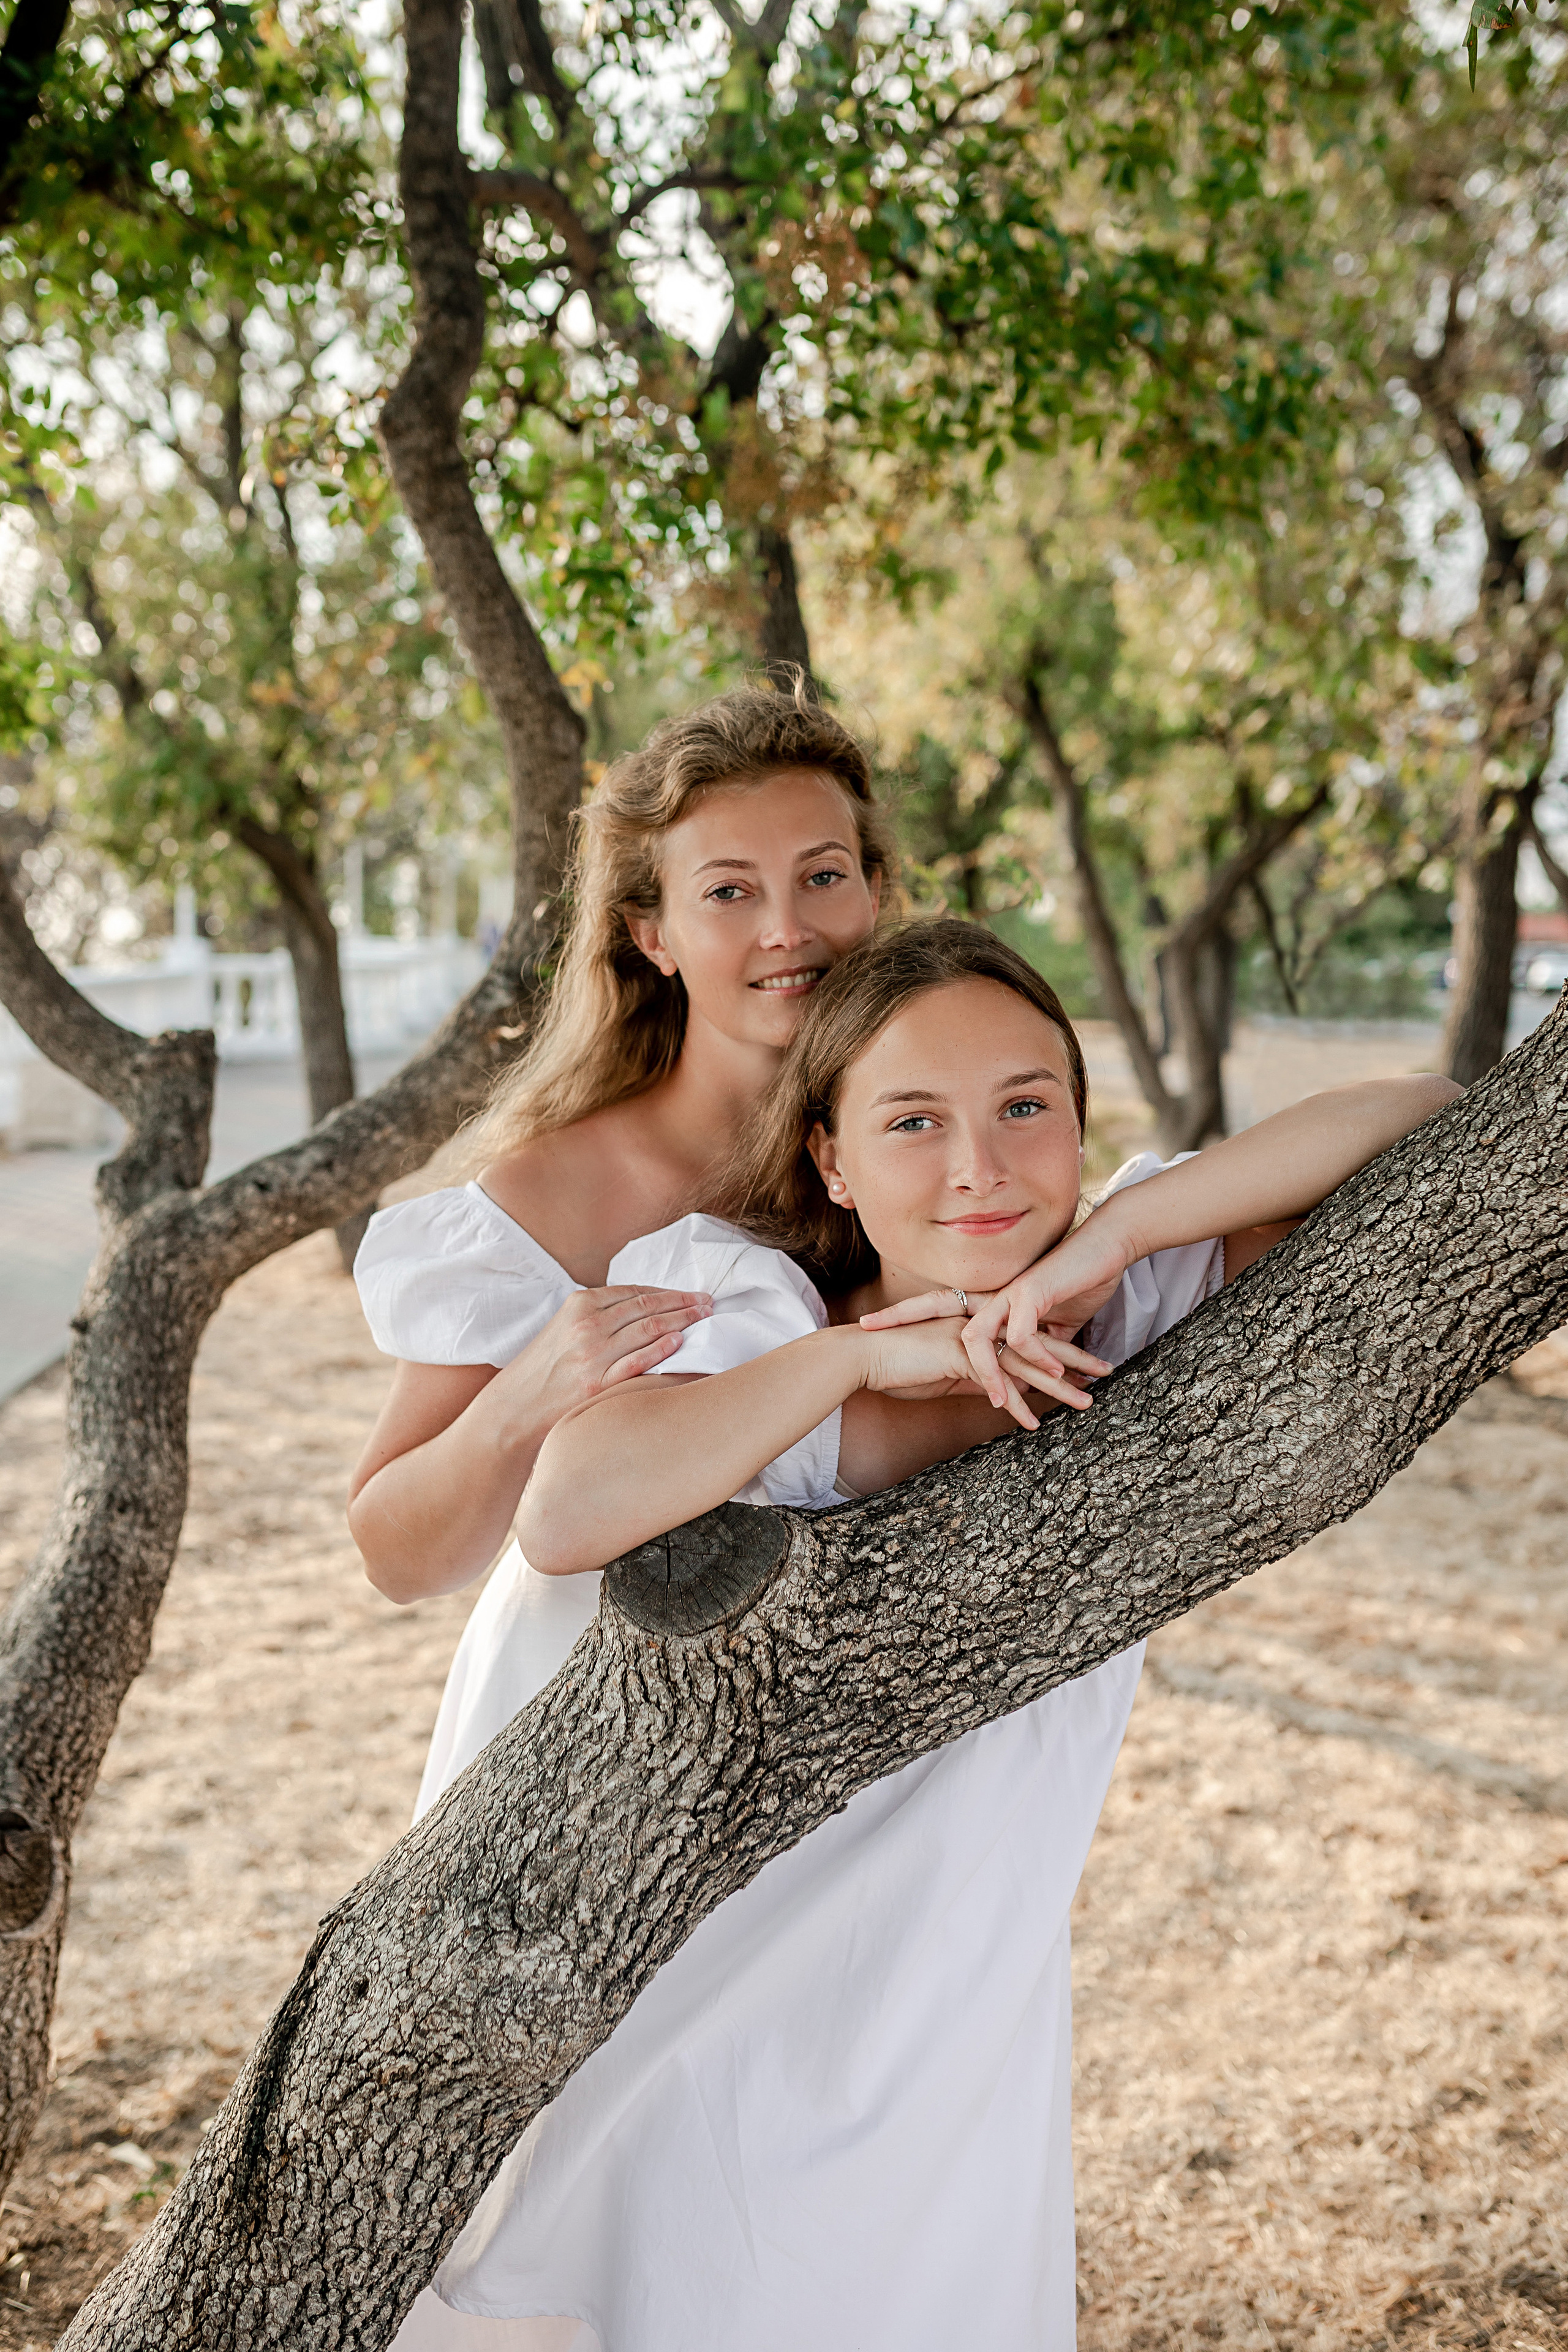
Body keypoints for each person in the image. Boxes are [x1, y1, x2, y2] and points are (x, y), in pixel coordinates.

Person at [382, 920, 1458, 2351]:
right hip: (708, 1976)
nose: (978, 1167)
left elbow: (1425, 1114)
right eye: (911, 1122)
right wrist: (858, 1361)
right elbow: (567, 1506)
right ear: (829, 1160)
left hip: (942, 1972)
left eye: (1025, 1106)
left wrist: (1125, 1227)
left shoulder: (1138, 1295)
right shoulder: (748, 1300)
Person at [348, 677, 894, 1807]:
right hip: (585, 1773)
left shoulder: (932, 1145)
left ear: (875, 890)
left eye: (823, 876)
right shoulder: (555, 1192)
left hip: (838, 1761)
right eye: (729, 891)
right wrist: (529, 1395)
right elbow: (396, 1556)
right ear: (655, 935)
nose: (788, 930)